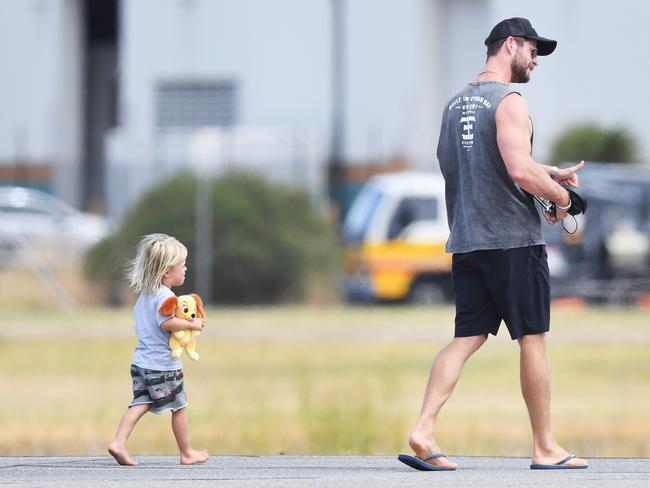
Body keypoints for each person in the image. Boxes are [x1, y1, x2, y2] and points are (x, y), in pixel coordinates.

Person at [399, 18, 589, 471]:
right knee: (533, 339)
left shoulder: (454, 105)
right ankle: (545, 448)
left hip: (468, 242)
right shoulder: (510, 101)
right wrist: (566, 198)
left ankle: (424, 429)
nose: (536, 60)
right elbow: (519, 171)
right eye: (532, 49)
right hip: (512, 244)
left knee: (466, 336)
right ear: (509, 45)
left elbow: (484, 160)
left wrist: (548, 171)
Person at [108, 233, 209, 466]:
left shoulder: (145, 295)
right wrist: (192, 324)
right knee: (179, 406)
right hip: (162, 365)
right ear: (166, 272)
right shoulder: (166, 296)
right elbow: (166, 323)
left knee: (141, 402)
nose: (186, 268)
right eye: (182, 265)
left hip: (141, 361)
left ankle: (119, 442)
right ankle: (187, 452)